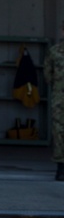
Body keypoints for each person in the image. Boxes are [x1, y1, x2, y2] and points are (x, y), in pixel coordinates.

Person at [45, 20, 64, 180]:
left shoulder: (54, 51)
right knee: (58, 133)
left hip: (59, 97)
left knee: (59, 132)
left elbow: (48, 76)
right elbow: (47, 76)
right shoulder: (53, 51)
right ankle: (61, 169)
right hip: (59, 100)